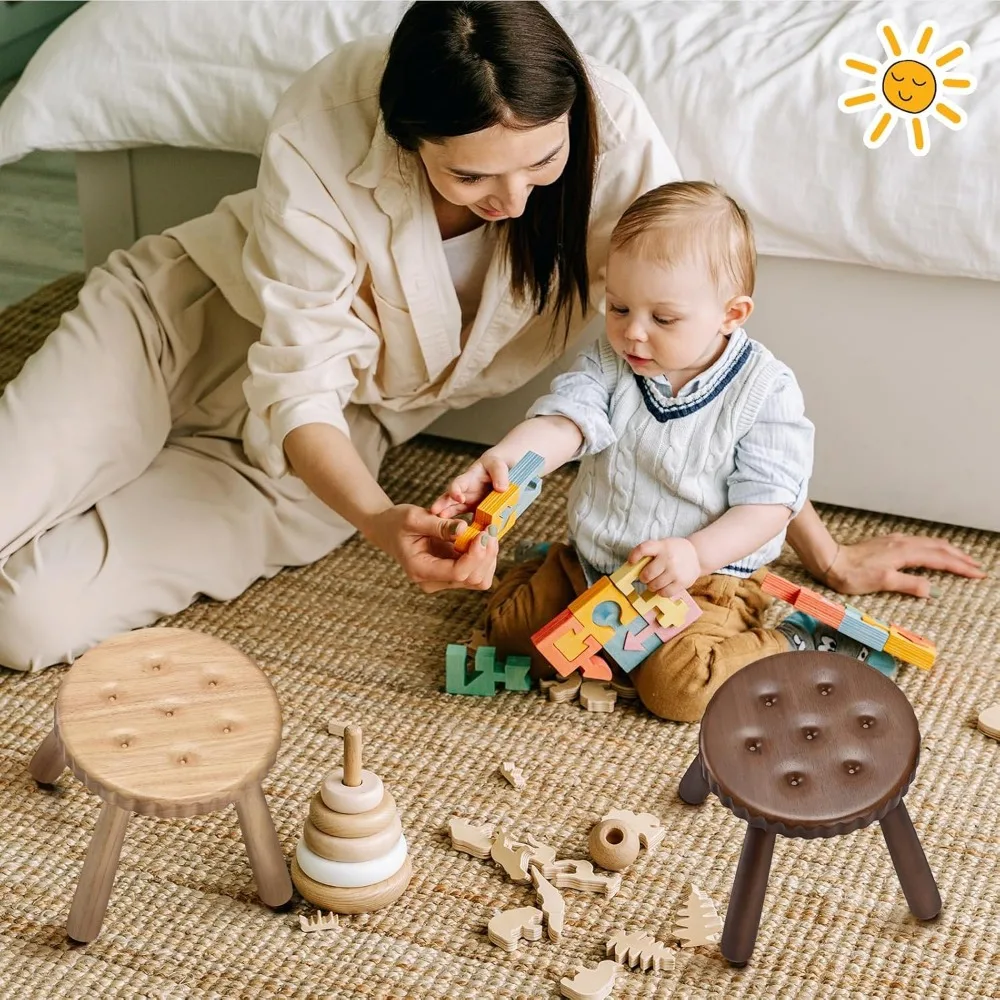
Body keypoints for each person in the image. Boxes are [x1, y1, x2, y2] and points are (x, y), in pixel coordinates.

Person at [0, 2, 982, 674]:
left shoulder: (614, 146)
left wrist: (823, 552)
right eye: (470, 178)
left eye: (541, 162)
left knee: (27, 621)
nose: (513, 199)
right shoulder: (327, 119)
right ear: (406, 136)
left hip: (321, 450)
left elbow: (713, 374)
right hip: (177, 331)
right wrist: (383, 519)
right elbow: (292, 380)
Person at [430, 182, 972, 722]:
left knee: (679, 690)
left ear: (731, 314)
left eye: (662, 319)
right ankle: (545, 571)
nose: (633, 334)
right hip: (594, 563)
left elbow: (770, 504)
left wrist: (698, 554)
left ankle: (793, 641)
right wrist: (504, 458)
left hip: (707, 580)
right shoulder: (611, 363)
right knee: (510, 635)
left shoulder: (764, 389)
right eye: (618, 307)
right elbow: (565, 421)